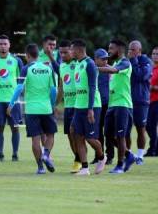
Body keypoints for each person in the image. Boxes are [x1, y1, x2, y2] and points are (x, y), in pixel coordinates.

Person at [8, 43, 56, 174]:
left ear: (27, 55)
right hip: (46, 108)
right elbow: (53, 90)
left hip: (31, 110)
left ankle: (40, 167)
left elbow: (19, 88)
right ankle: (46, 154)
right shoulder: (48, 68)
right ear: (38, 55)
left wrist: (11, 104)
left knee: (35, 139)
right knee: (50, 135)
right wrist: (52, 104)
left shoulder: (26, 68)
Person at [68, 40, 106, 176]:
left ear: (78, 50)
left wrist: (90, 109)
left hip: (92, 106)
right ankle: (85, 168)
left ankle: (102, 157)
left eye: (71, 50)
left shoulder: (90, 64)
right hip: (79, 106)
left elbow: (92, 87)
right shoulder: (77, 64)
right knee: (77, 134)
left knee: (90, 138)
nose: (69, 52)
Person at [98, 39, 136, 174]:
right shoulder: (116, 62)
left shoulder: (125, 63)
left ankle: (120, 165)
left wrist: (95, 68)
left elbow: (113, 70)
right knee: (108, 134)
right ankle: (128, 155)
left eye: (111, 48)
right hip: (112, 105)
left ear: (119, 50)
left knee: (120, 136)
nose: (109, 51)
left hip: (123, 105)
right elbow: (110, 68)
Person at [0, 34, 24, 161]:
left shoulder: (16, 61)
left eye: (5, 44)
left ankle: (15, 153)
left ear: (9, 45)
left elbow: (20, 79)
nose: (3, 46)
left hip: (13, 100)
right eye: (1, 44)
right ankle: (0, 153)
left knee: (15, 127)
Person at [53, 40, 82, 173]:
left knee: (76, 134)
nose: (63, 55)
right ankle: (78, 159)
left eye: (66, 52)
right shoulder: (61, 66)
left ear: (72, 51)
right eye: (61, 53)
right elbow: (61, 87)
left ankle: (82, 160)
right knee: (70, 136)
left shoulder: (79, 64)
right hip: (68, 106)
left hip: (79, 105)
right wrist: (56, 104)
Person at [127, 40, 152, 164]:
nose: (130, 52)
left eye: (133, 50)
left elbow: (140, 76)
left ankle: (140, 156)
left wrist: (134, 60)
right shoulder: (127, 62)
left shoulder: (146, 62)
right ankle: (129, 155)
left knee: (140, 129)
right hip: (127, 101)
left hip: (141, 101)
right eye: (129, 49)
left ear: (139, 51)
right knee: (126, 130)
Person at [94, 48, 114, 165]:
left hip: (108, 104)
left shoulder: (110, 69)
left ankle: (110, 156)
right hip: (97, 104)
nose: (105, 61)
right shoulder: (93, 70)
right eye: (103, 59)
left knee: (108, 132)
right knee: (97, 132)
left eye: (106, 59)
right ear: (96, 59)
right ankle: (99, 156)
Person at [146, 47, 158, 157]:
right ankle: (155, 147)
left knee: (152, 125)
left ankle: (153, 150)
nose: (155, 56)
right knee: (148, 126)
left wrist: (152, 87)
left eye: (157, 54)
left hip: (156, 101)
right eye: (153, 53)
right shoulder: (149, 68)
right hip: (148, 101)